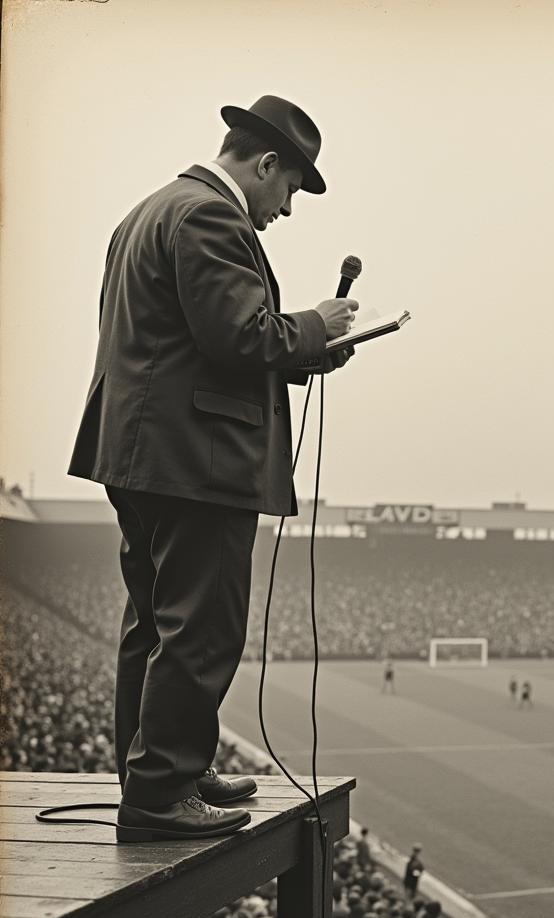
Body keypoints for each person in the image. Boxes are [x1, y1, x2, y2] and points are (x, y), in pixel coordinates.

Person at [68, 95, 359, 842]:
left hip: (143, 449)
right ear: (265, 165)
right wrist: (313, 327)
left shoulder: (149, 211)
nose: (287, 209)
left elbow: (185, 340)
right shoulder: (209, 215)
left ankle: (161, 770)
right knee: (200, 626)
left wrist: (304, 351)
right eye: (291, 187)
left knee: (156, 623)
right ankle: (162, 790)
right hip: (194, 457)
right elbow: (236, 335)